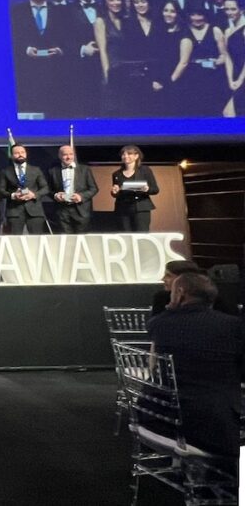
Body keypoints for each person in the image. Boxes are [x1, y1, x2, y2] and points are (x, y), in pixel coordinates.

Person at [147, 273, 243, 460]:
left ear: (180, 293)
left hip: (158, 416)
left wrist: (171, 307)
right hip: (212, 425)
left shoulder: (158, 324)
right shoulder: (232, 326)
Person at [11, 0, 74, 117]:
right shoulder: (16, 11)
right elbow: (12, 38)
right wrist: (26, 49)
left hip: (55, 72)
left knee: (55, 113)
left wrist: (60, 49)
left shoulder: (59, 11)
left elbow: (68, 37)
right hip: (28, 73)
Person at [182, 2, 232, 117]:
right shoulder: (184, 30)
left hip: (213, 78)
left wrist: (214, 62)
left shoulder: (215, 30)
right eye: (193, 15)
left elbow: (224, 55)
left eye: (200, 14)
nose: (196, 18)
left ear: (205, 15)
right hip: (191, 79)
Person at [150, 261, 238, 317]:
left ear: (184, 278)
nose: (163, 279)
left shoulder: (213, 298)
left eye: (168, 276)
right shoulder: (161, 298)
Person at [0, 143, 48, 234]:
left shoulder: (36, 170)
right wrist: (13, 195)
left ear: (26, 154)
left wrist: (34, 195)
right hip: (14, 212)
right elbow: (0, 190)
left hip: (34, 211)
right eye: (17, 153)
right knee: (15, 240)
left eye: (22, 152)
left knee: (36, 239)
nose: (20, 155)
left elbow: (45, 188)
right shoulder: (5, 171)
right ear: (11, 156)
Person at [47, 144, 98, 234]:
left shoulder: (85, 169)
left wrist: (81, 196)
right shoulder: (52, 171)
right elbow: (48, 189)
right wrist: (55, 195)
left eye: (71, 154)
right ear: (59, 156)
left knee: (81, 239)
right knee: (65, 239)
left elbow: (94, 188)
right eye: (65, 154)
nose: (68, 157)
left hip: (81, 211)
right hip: (62, 211)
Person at [110, 144, 159, 232]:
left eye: (129, 154)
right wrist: (114, 192)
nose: (125, 156)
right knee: (125, 235)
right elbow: (116, 193)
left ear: (136, 156)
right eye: (123, 154)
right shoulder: (116, 174)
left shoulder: (145, 170)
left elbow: (155, 189)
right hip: (123, 209)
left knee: (141, 234)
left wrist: (147, 189)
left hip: (140, 208)